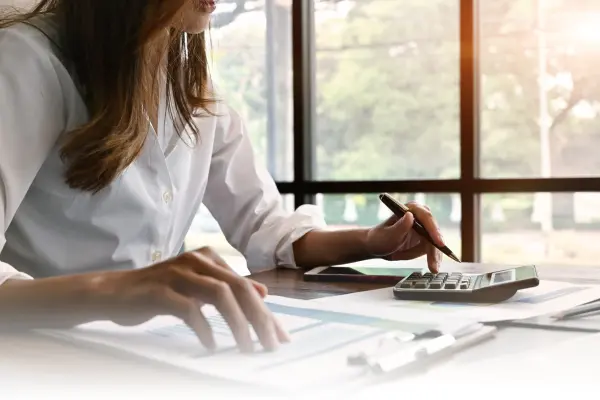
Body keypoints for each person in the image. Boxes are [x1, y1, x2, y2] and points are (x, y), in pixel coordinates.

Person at [0, 0, 446, 353]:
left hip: (153, 352)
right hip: (40, 358)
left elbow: (264, 226)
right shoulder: (24, 62)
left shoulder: (190, 85)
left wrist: (369, 241)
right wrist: (115, 291)